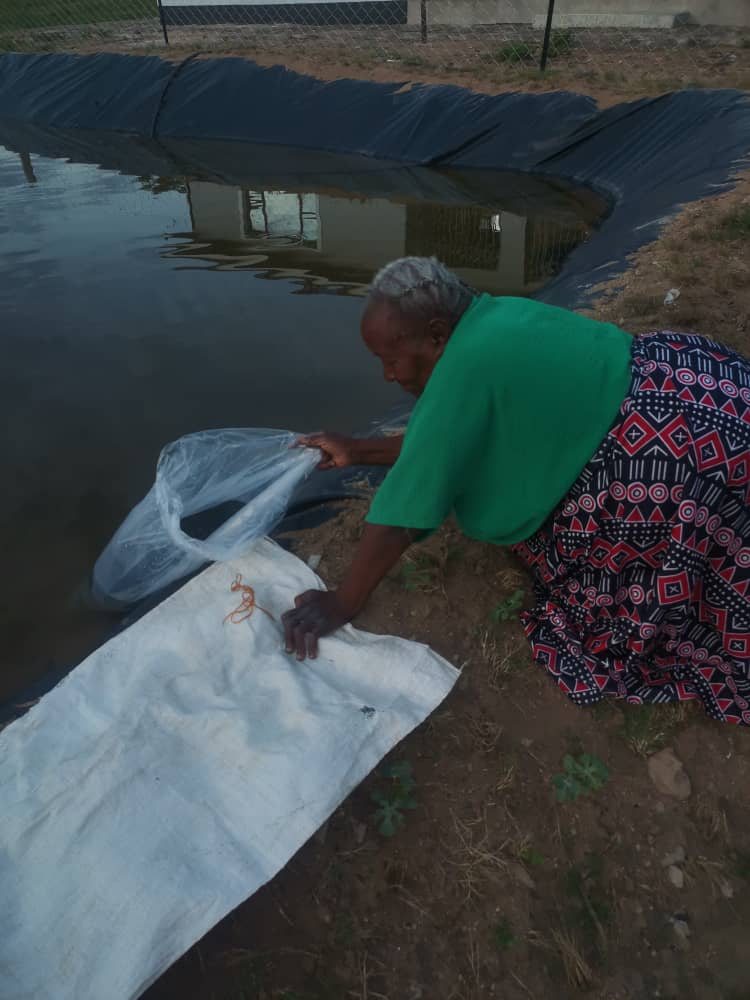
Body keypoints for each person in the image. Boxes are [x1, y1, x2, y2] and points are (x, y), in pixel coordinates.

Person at [282, 256, 750, 725]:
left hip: (682, 453)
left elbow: (400, 518)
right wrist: (358, 450)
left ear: (437, 333)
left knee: (600, 607)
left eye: (390, 358)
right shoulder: (498, 316)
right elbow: (446, 441)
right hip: (701, 388)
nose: (387, 374)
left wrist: (342, 602)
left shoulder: (463, 368)